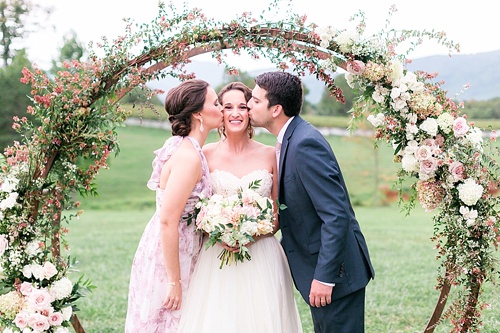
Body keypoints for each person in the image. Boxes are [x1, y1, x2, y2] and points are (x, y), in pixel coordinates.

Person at [247, 71, 375, 333]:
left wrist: (325, 277)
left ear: (276, 109)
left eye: (256, 100)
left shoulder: (305, 144)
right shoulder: (289, 139)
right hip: (321, 271)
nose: (249, 104)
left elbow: (336, 215)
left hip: (335, 276)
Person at [178, 82, 303, 332]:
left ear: (251, 112)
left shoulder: (271, 154)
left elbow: (279, 214)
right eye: (227, 106)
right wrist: (217, 231)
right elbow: (196, 209)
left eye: (243, 106)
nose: (235, 113)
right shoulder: (205, 154)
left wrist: (251, 233)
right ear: (220, 113)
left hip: (262, 255)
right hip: (217, 257)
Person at [125, 79, 222, 332]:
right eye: (216, 103)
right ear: (198, 113)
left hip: (180, 248)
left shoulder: (185, 145)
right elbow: (168, 219)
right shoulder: (188, 157)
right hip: (171, 253)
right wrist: (173, 281)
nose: (222, 108)